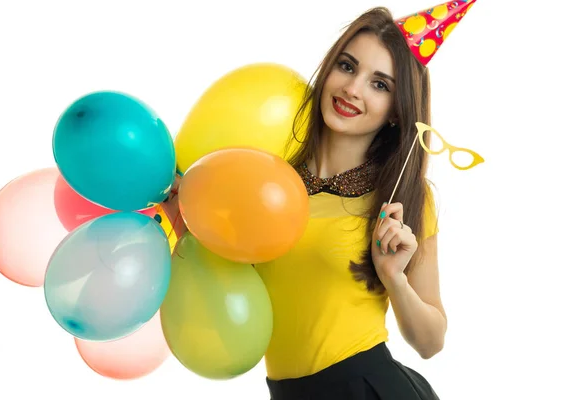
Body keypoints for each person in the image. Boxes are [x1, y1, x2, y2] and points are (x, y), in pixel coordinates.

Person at [160, 2, 476, 398]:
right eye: (347, 66)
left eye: (379, 84)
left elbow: (431, 343)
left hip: (367, 387)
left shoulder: (402, 198)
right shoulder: (263, 181)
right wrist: (189, 213)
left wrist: (394, 278)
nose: (352, 89)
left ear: (396, 110)